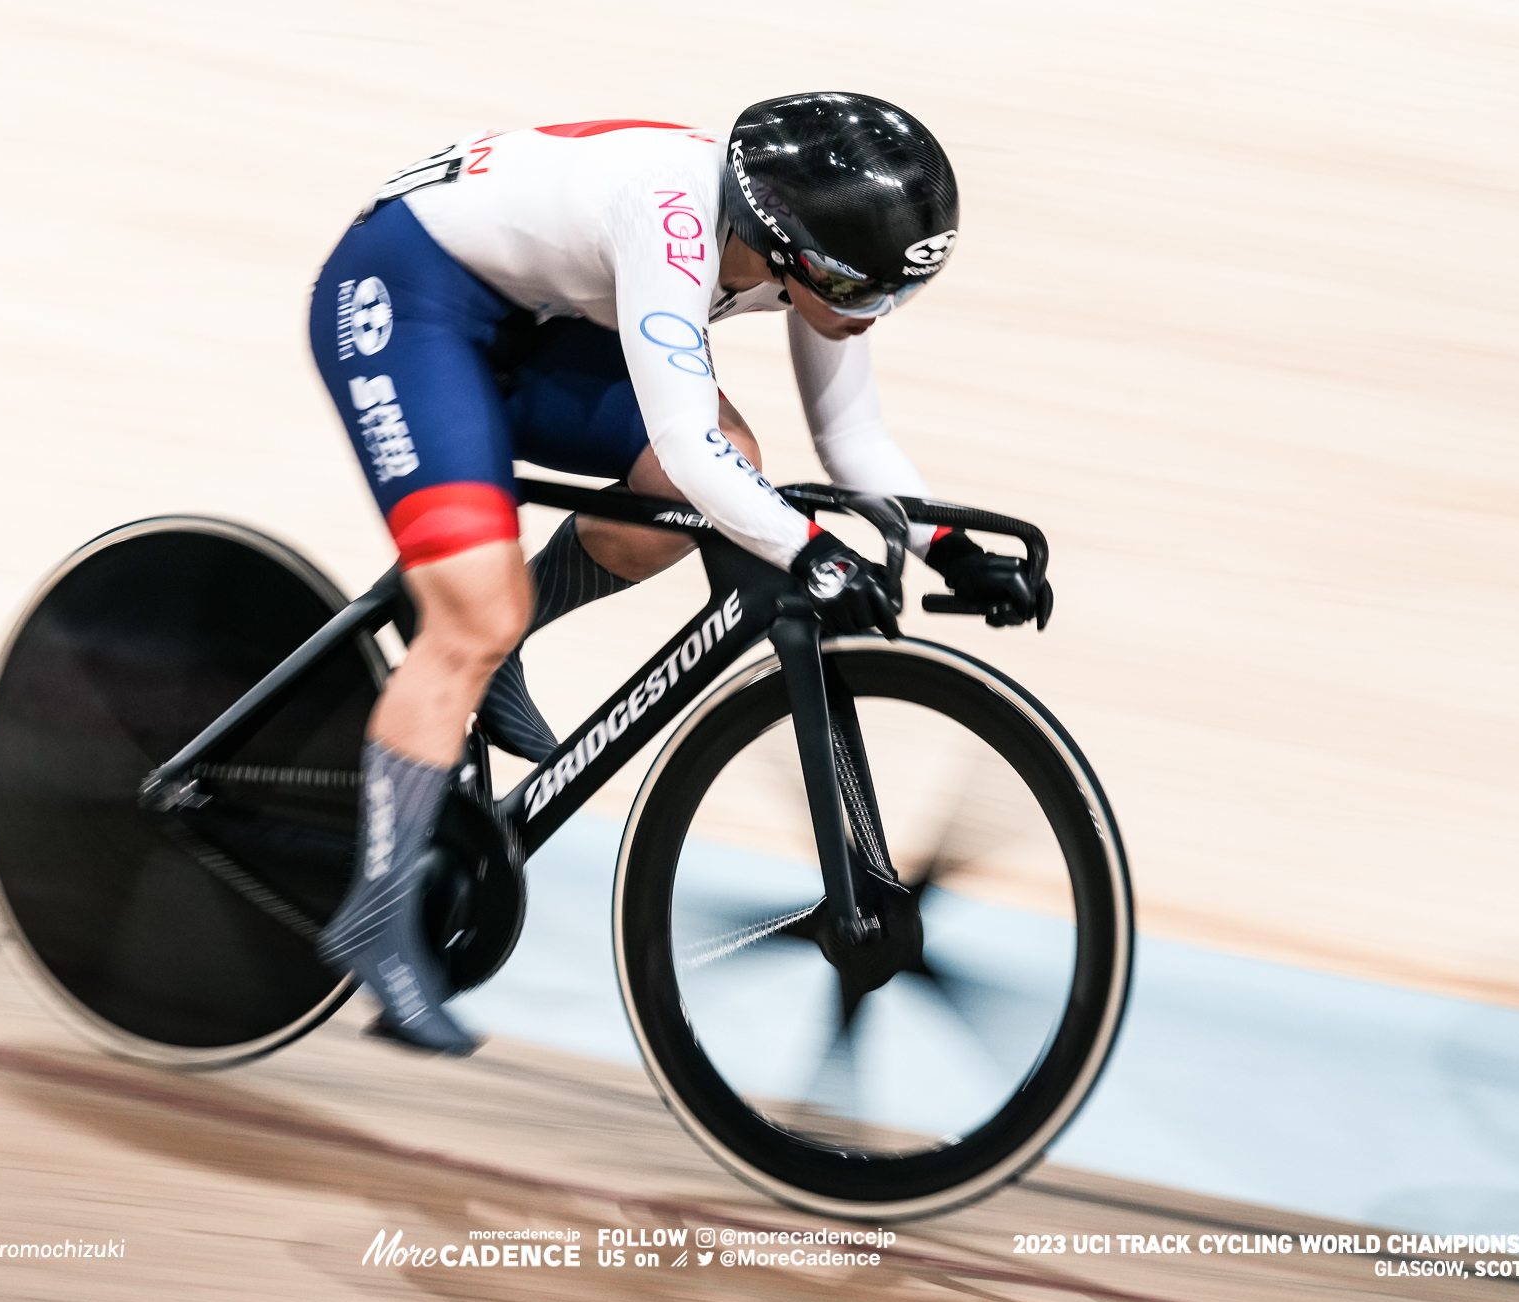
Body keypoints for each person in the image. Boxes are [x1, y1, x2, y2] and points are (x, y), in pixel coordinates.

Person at [304, 92, 1048, 1054]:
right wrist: (814, 553)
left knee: (721, 470)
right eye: (861, 294)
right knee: (489, 604)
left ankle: (497, 641)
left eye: (893, 295)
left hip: (533, 314)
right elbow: (690, 448)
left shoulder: (800, 242)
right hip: (406, 298)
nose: (873, 318)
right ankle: (372, 911)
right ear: (793, 253)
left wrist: (948, 549)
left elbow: (849, 435)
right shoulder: (674, 217)